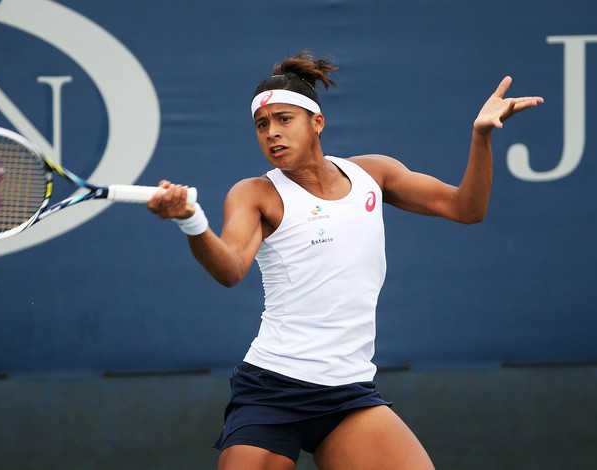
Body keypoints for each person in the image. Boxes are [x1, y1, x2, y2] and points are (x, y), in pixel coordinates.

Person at [147, 51, 543, 469]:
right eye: (262, 125)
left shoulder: (373, 174)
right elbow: (230, 269)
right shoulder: (255, 194)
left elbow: (468, 208)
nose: (271, 134)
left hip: (347, 392)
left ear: (317, 122)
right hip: (273, 389)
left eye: (284, 119)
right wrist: (191, 220)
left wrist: (481, 135)